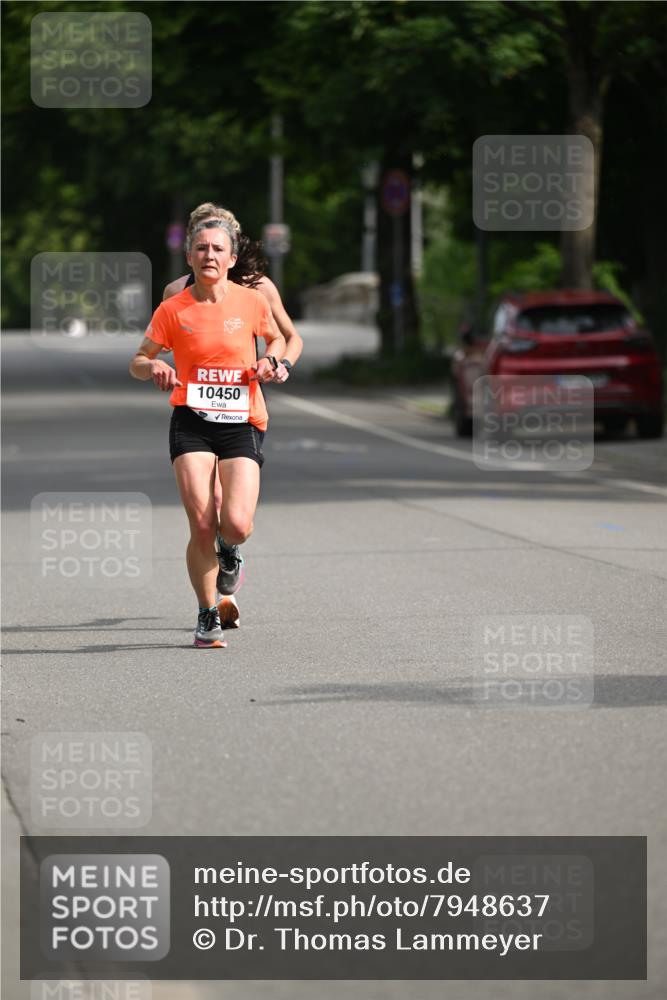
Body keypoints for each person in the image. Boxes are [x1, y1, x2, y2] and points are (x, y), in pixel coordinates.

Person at [130, 217, 286, 648]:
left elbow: (276, 341)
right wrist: (155, 366)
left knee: (235, 523)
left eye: (218, 249)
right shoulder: (173, 308)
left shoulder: (251, 302)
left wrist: (271, 362)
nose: (209, 256)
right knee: (200, 523)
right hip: (191, 421)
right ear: (189, 257)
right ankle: (206, 613)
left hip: (242, 422)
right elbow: (138, 360)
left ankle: (230, 549)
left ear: (232, 258)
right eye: (201, 249)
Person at [163, 203, 303, 384]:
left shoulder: (258, 286)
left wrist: (281, 363)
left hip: (244, 395)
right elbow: (162, 344)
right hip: (193, 397)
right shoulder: (176, 290)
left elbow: (291, 337)